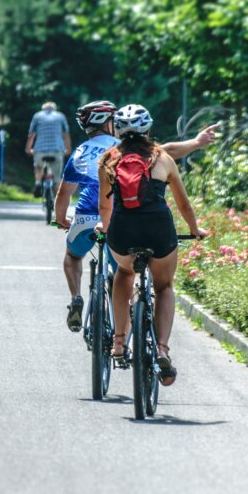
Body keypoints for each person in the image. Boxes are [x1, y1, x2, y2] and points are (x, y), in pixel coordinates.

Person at [54, 101, 217, 334]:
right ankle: (131, 326)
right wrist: (196, 142)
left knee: (72, 255)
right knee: (125, 274)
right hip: (124, 220)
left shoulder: (81, 152)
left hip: (87, 219)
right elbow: (167, 151)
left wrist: (61, 219)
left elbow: (63, 194)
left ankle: (76, 297)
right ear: (110, 124)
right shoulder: (124, 147)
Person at [94, 104, 208, 387]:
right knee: (164, 287)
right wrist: (195, 230)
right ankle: (162, 350)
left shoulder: (108, 159)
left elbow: (104, 206)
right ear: (148, 129)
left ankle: (119, 343)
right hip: (158, 230)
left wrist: (105, 229)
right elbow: (183, 203)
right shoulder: (163, 158)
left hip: (123, 230)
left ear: (117, 131)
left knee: (124, 273)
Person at [25, 101, 71, 197]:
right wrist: (68, 149)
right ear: (54, 109)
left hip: (40, 150)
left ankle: (37, 183)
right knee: (57, 178)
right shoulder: (60, 116)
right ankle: (55, 199)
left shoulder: (37, 116)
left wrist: (28, 149)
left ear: (43, 109)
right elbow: (66, 134)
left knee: (38, 167)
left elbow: (31, 134)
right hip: (57, 150)